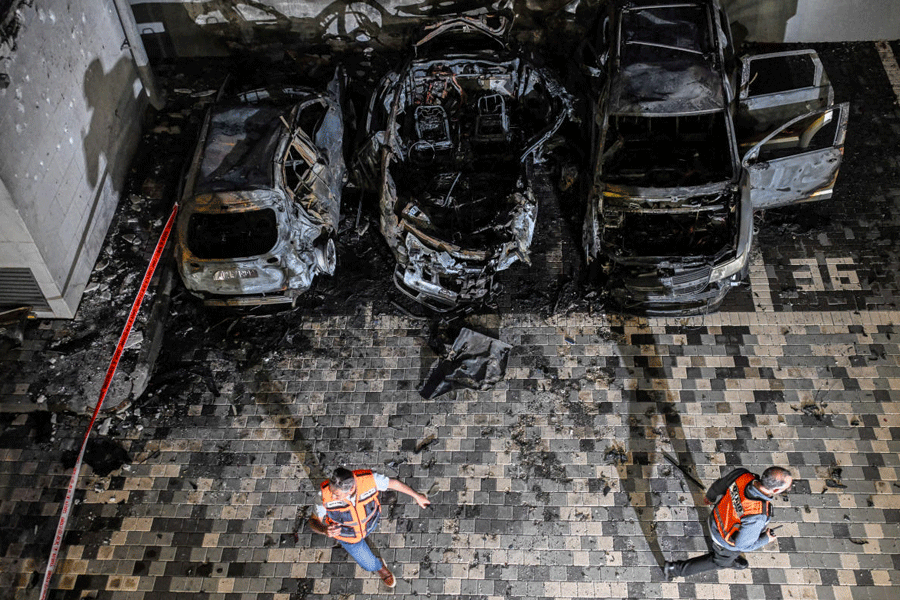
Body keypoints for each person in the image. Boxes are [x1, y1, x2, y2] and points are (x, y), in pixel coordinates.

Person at [664, 466, 793, 580]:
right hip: (724, 540)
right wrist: (765, 539)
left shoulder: (743, 475)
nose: (788, 489)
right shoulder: (758, 514)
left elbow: (720, 485)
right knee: (719, 562)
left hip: (715, 517)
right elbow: (742, 545)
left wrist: (710, 496)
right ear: (775, 491)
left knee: (727, 557)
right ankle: (674, 569)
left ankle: (730, 560)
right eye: (787, 488)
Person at [309, 467, 430, 588]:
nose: (333, 497)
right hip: (348, 537)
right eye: (332, 491)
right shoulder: (323, 495)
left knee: (367, 537)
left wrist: (417, 496)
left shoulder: (369, 480)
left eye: (337, 495)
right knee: (368, 565)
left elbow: (394, 484)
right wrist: (324, 530)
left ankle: (366, 539)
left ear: (351, 489)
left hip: (370, 524)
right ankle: (379, 567)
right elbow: (313, 521)